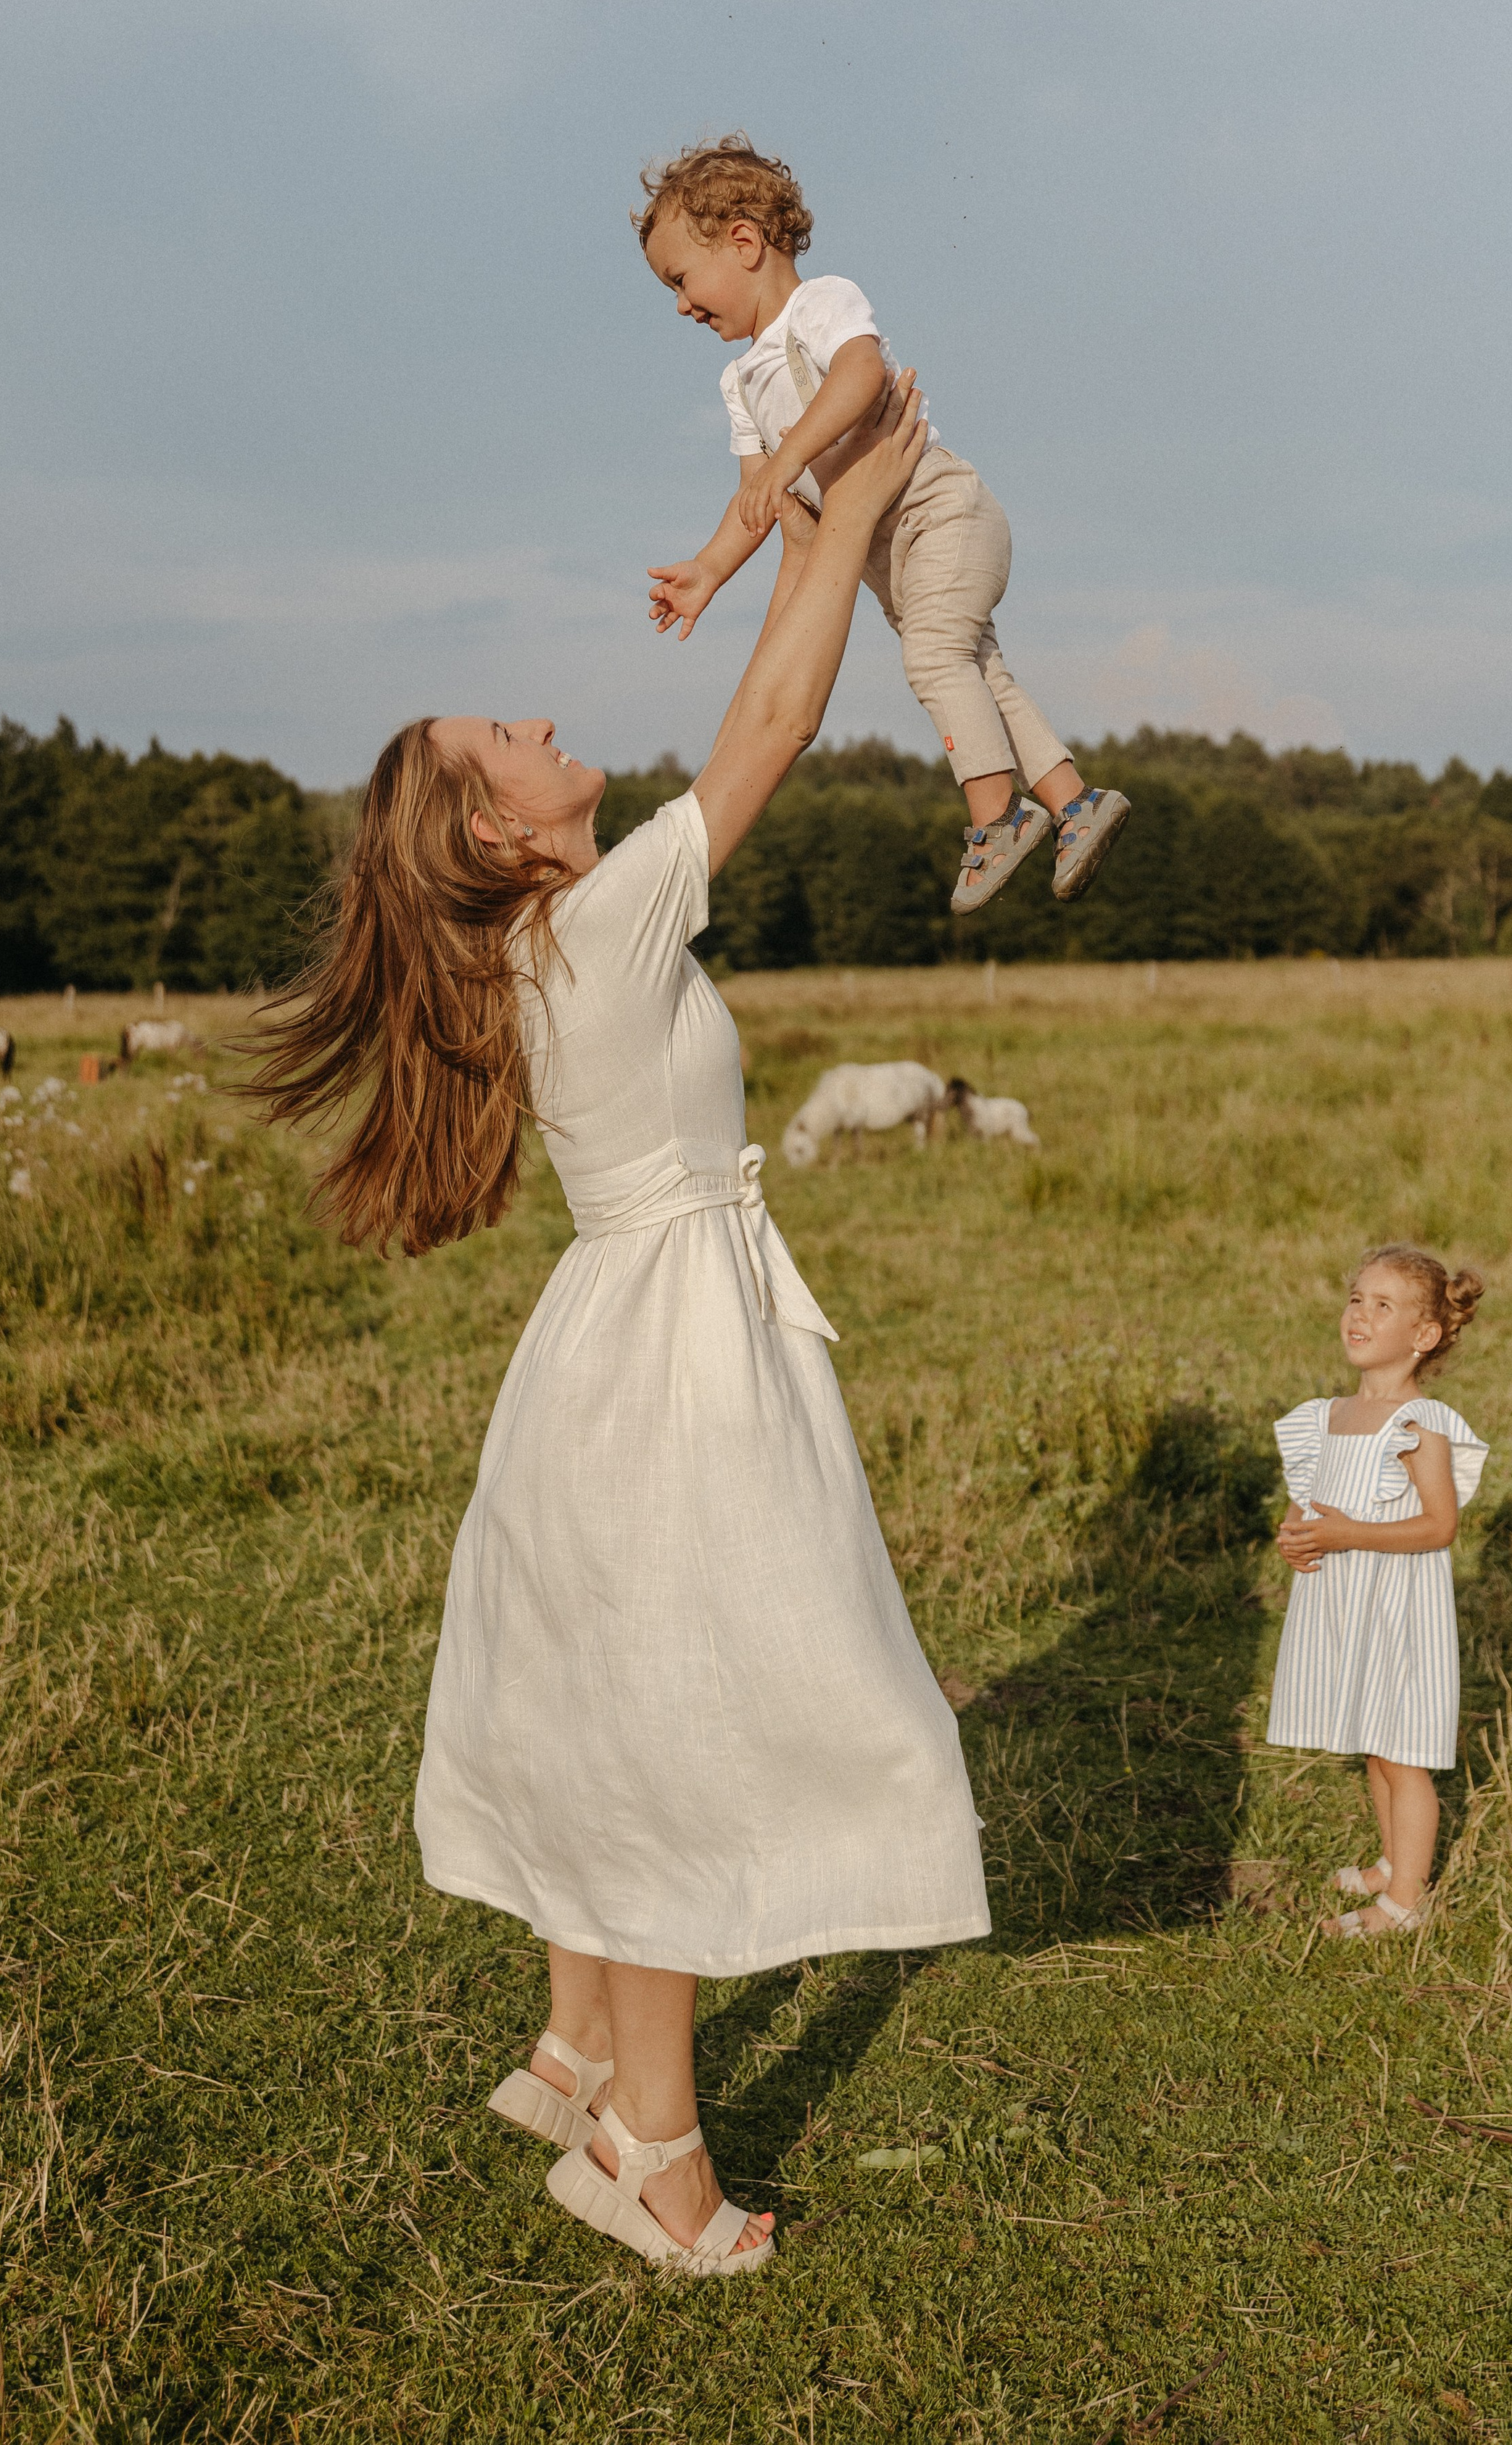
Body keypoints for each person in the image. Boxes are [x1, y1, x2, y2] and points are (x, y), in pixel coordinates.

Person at [251, 371, 988, 2280]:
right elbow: (778, 713)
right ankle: (648, 2151)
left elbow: (760, 671)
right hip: (665, 1352)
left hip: (625, 1336)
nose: (551, 720)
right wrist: (883, 465)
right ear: (500, 833)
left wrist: (818, 507)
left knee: (613, 1700)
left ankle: (583, 2044)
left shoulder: (548, 941)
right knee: (672, 1730)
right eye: (513, 733)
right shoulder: (593, 926)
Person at [636, 133, 1130, 917]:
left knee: (934, 659)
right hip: (887, 556)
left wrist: (787, 454)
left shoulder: (819, 305)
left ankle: (998, 818)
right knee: (975, 670)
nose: (679, 303)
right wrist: (708, 569)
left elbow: (861, 376)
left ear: (744, 243)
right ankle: (1075, 804)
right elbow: (759, 502)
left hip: (941, 514)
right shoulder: (739, 383)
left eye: (682, 279)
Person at [1267, 1246, 1489, 1939]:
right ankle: (1393, 1864)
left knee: (1404, 1753)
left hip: (1398, 1608)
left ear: (1423, 1336)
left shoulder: (1418, 1424)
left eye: (1382, 1306)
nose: (1360, 1314)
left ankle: (1406, 1904)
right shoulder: (1329, 1415)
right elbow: (1319, 1507)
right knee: (1373, 1741)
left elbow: (1439, 1526)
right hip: (1348, 1602)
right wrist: (1300, 1535)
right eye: (1357, 1298)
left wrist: (1347, 1535)